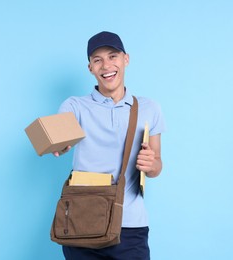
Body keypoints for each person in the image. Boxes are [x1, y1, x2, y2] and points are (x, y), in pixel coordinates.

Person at [53, 31, 165, 260]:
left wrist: (151, 164)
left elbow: (157, 167)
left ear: (126, 59)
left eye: (113, 56)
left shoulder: (149, 108)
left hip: (131, 227)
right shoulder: (75, 106)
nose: (106, 65)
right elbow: (60, 133)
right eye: (97, 60)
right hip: (82, 223)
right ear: (90, 68)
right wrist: (59, 142)